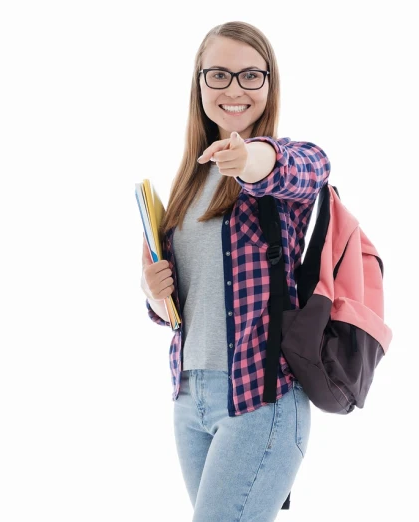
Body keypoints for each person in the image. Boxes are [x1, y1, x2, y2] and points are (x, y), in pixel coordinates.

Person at [140, 21, 331, 521]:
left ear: (269, 85)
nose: (234, 89)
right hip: (189, 400)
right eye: (219, 75)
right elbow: (181, 308)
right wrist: (153, 292)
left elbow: (308, 168)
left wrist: (251, 158)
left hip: (258, 402)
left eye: (251, 75)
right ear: (199, 83)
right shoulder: (188, 181)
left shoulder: (279, 168)